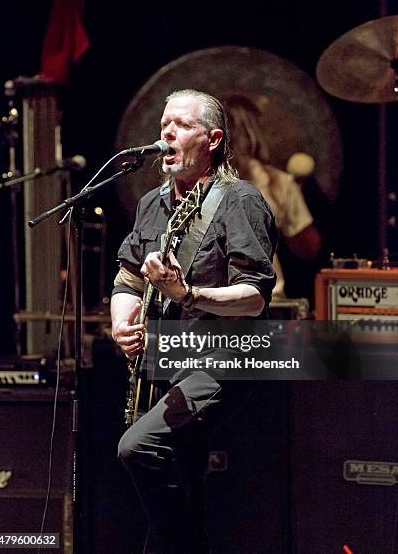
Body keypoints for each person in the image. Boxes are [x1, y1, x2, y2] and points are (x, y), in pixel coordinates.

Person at [111, 89, 277, 553]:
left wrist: (189, 293)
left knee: (138, 447)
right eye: (164, 124)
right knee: (182, 479)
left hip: (224, 359)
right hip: (167, 358)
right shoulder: (152, 203)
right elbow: (126, 274)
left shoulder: (239, 201)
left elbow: (255, 298)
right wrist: (121, 321)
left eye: (182, 125)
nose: (167, 133)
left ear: (213, 139)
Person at [224, 94, 321, 298]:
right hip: (205, 306)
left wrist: (296, 197)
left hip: (265, 304)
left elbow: (309, 248)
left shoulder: (276, 183)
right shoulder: (192, 182)